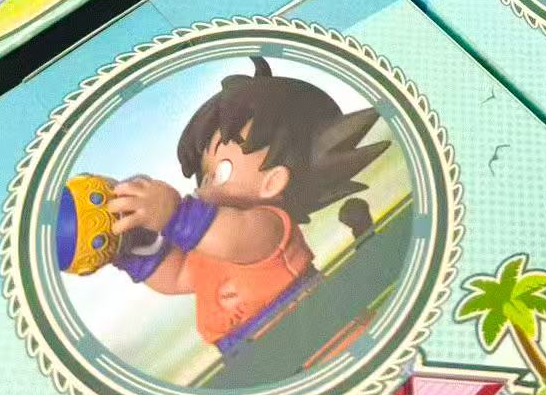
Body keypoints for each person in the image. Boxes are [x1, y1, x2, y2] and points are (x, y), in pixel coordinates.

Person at [105, 58, 386, 355]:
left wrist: (174, 215)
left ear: (273, 182)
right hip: (250, 357)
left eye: (220, 173)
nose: (204, 187)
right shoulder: (209, 247)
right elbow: (177, 276)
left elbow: (232, 238)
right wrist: (131, 248)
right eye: (205, 176)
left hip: (326, 337)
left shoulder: (269, 226)